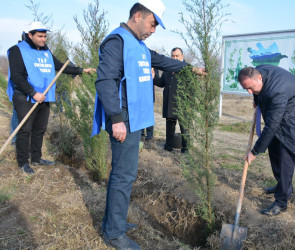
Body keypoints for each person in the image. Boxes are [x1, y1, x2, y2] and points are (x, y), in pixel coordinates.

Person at [91, 0, 204, 248]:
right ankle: (113, 233)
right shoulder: (117, 41)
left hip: (134, 118)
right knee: (123, 175)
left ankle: (114, 222)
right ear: (138, 16)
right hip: (123, 118)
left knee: (124, 174)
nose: (153, 30)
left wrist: (189, 68)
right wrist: (116, 119)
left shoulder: (139, 47)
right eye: (153, 24)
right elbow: (105, 82)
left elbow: (163, 61)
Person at [7, 21, 95, 174]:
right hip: (25, 97)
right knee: (25, 129)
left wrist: (81, 70)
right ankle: (23, 162)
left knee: (40, 129)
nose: (43, 39)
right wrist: (33, 93)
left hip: (44, 96)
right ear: (30, 35)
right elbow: (17, 76)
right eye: (40, 36)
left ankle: (36, 158)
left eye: (45, 36)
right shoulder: (17, 50)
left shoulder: (46, 51)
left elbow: (61, 66)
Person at [237, 65, 295, 216]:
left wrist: (254, 152)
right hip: (285, 115)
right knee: (274, 150)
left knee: (285, 158)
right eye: (246, 89)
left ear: (259, 78)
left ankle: (281, 202)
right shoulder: (258, 72)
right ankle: (281, 185)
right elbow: (272, 125)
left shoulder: (277, 91)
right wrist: (256, 97)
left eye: (251, 88)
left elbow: (271, 126)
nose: (249, 92)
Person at [154, 47, 188, 153]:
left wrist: (189, 104)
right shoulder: (168, 69)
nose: (174, 58)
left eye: (177, 56)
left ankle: (185, 148)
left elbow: (192, 89)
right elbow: (161, 83)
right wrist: (154, 76)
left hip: (183, 104)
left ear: (182, 56)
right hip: (169, 103)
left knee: (184, 127)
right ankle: (168, 146)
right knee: (170, 126)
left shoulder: (187, 69)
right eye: (173, 56)